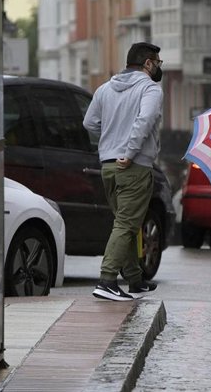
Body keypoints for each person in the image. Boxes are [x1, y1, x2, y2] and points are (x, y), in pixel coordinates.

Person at [83, 42, 164, 301]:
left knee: (127, 223)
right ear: (148, 64)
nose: (160, 67)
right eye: (158, 63)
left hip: (108, 165)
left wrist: (111, 143)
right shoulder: (150, 89)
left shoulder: (105, 89)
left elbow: (90, 122)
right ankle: (107, 280)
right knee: (127, 224)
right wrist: (128, 153)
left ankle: (135, 280)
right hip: (133, 165)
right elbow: (145, 120)